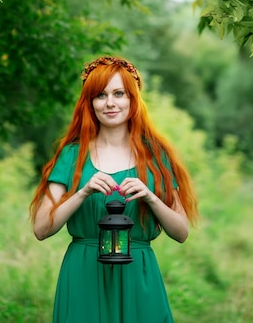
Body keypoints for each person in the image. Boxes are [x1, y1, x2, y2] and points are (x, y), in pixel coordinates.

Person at [30, 55, 198, 323]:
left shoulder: (156, 157)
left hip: (138, 275)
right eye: (100, 95)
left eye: (119, 93)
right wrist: (82, 192)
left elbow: (181, 232)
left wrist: (151, 197)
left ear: (132, 99)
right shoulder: (72, 155)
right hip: (84, 273)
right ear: (90, 103)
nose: (110, 103)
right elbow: (41, 228)